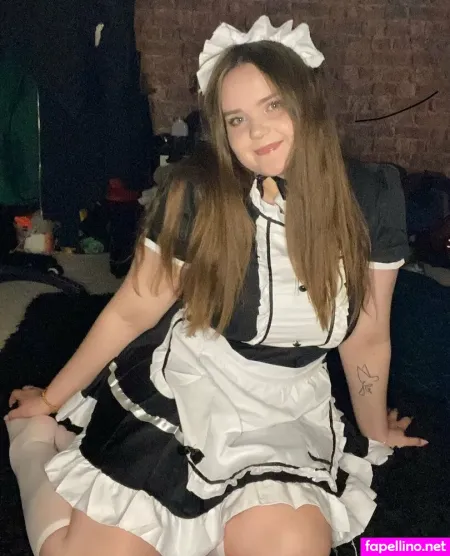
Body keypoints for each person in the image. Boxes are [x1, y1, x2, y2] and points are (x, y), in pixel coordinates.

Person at [5, 15, 427, 556]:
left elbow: (366, 335)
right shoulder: (197, 192)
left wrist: (372, 433)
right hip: (193, 388)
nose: (256, 132)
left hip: (288, 413)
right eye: (236, 119)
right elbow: (133, 309)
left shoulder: (372, 197)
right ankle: (32, 446)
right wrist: (50, 400)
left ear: (308, 101)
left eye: (273, 105)